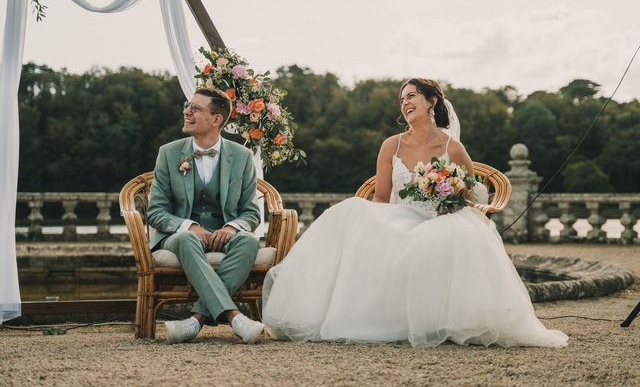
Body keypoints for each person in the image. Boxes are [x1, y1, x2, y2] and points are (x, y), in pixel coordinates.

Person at [262, 78, 568, 348]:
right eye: (402, 99)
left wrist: (448, 200)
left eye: (411, 96)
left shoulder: (454, 148)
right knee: (350, 212)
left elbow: (471, 194)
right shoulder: (391, 146)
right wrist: (379, 227)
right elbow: (380, 198)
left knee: (454, 234)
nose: (405, 102)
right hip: (397, 217)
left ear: (431, 101)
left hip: (440, 220)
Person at [148, 87, 265, 344]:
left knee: (248, 241)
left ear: (216, 120)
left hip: (224, 233)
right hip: (178, 235)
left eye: (195, 108)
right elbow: (155, 212)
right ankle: (235, 317)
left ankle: (196, 320)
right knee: (188, 240)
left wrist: (232, 228)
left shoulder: (243, 157)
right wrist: (189, 226)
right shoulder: (168, 153)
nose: (186, 112)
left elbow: (251, 211)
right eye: (187, 105)